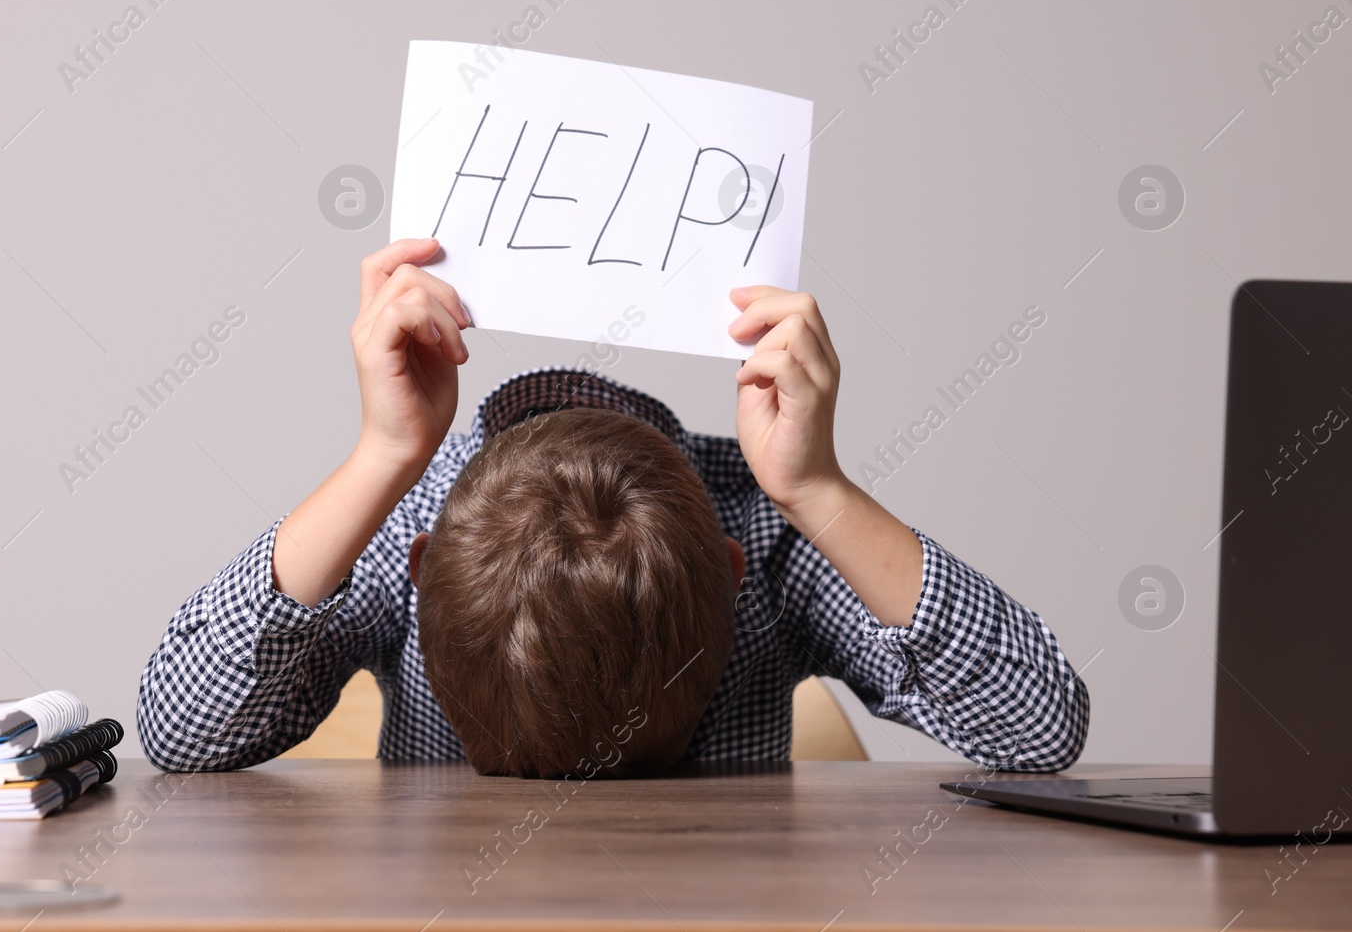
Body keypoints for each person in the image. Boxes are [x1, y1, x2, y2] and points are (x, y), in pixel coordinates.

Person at [137, 238, 1088, 778]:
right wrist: (382, 458)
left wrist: (814, 491)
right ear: (422, 574)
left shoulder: (771, 526)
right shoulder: (408, 515)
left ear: (728, 568)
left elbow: (1039, 725)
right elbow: (181, 730)